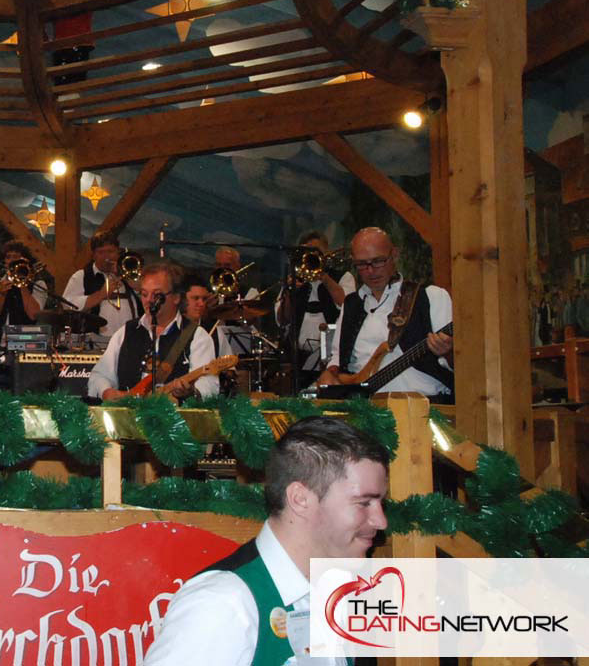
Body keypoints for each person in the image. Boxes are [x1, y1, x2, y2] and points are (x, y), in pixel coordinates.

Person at [144, 416, 389, 666]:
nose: (381, 521)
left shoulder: (345, 594)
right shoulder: (223, 603)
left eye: (381, 503)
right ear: (300, 499)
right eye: (364, 503)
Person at [317, 227, 453, 399]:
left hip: (424, 405)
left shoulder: (431, 296)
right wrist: (331, 372)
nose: (370, 270)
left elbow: (461, 363)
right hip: (364, 407)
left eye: (378, 261)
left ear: (394, 255)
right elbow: (338, 356)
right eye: (361, 264)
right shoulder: (351, 304)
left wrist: (447, 352)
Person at [87, 261, 218, 401]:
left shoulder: (197, 337)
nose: (149, 300)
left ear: (176, 297)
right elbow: (99, 376)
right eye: (144, 294)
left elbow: (209, 388)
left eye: (157, 295)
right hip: (127, 419)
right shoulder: (126, 331)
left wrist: (191, 392)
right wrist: (106, 391)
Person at [276, 231, 355, 388]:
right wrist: (289, 292)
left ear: (325, 253)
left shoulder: (343, 277)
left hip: (332, 360)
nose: (311, 256)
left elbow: (347, 304)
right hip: (298, 359)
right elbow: (282, 319)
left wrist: (324, 276)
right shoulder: (295, 278)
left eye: (316, 252)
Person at [63, 230, 142, 344]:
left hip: (131, 339)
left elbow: (144, 293)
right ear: (93, 255)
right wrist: (101, 295)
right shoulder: (81, 276)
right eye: (101, 252)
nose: (106, 257)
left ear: (118, 253)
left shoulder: (129, 272)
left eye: (110, 251)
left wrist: (125, 275)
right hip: (96, 341)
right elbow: (67, 305)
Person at [0, 240, 46, 340]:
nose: (11, 261)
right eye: (8, 257)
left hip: (27, 340)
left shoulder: (38, 284)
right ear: (4, 261)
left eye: (16, 257)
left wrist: (22, 284)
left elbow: (33, 315)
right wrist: (2, 295)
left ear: (25, 261)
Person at [182, 273, 233, 357]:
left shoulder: (216, 333)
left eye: (204, 299)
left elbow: (230, 366)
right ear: (182, 299)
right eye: (196, 298)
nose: (201, 304)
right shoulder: (170, 329)